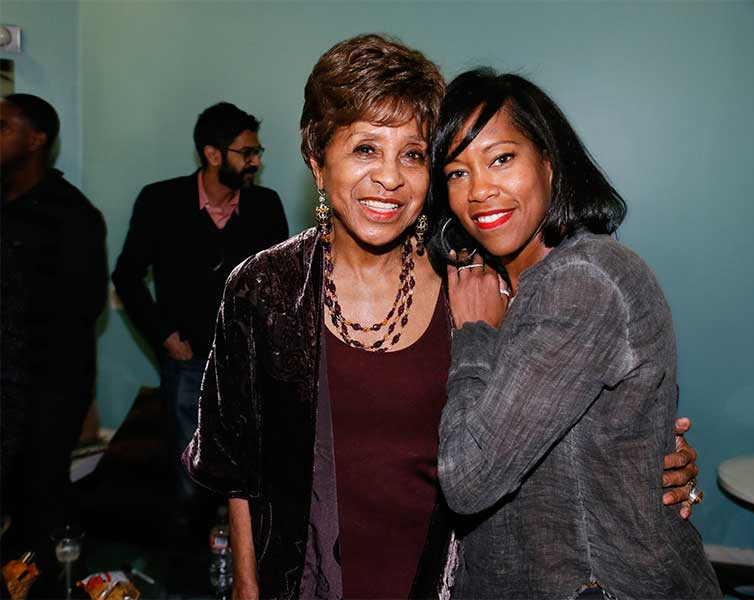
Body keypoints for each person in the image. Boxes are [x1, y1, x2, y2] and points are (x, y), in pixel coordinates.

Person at [183, 35, 700, 600]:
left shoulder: (479, 285)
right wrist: (246, 587)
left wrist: (649, 461)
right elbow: (238, 464)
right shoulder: (265, 289)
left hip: (447, 580)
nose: (390, 177)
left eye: (411, 154)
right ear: (316, 160)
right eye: (364, 149)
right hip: (305, 576)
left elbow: (549, 423)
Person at [430, 69, 721, 599]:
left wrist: (474, 335)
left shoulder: (583, 279)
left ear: (548, 159)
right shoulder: (482, 280)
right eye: (456, 172)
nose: (480, 191)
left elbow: (469, 478)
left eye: (501, 158)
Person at [111, 102, 288, 511]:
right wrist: (164, 335)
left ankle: (238, 563)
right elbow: (127, 276)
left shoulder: (265, 205)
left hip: (248, 363)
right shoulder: (160, 202)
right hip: (188, 362)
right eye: (247, 152)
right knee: (192, 477)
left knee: (248, 476)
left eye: (258, 152)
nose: (256, 162)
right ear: (212, 155)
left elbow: (279, 281)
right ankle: (191, 560)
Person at [0, 94, 107, 586]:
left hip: (42, 396)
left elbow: (82, 314)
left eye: (3, 127)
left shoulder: (71, 218)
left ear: (36, 139)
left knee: (40, 506)